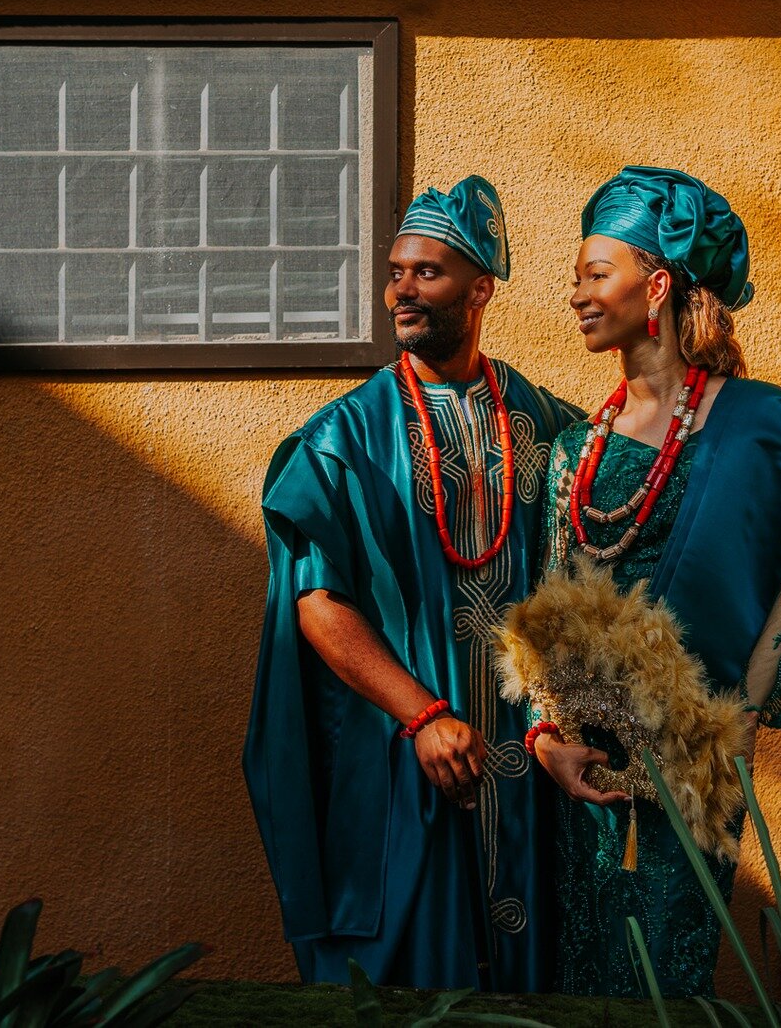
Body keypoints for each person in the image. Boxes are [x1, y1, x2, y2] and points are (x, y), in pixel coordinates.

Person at [531, 165, 781, 997]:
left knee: (665, 984)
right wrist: (547, 739)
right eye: (574, 277)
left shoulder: (761, 428)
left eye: (595, 273)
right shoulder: (576, 449)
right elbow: (547, 607)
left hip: (691, 762)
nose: (576, 293)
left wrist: (736, 730)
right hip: (577, 775)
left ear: (655, 284)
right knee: (578, 982)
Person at [244, 176, 585, 991]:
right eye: (396, 271)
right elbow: (318, 604)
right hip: (404, 765)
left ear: (481, 289)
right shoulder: (341, 440)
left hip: (535, 773)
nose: (401, 289)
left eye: (426, 272)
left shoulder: (555, 427)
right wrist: (424, 715)